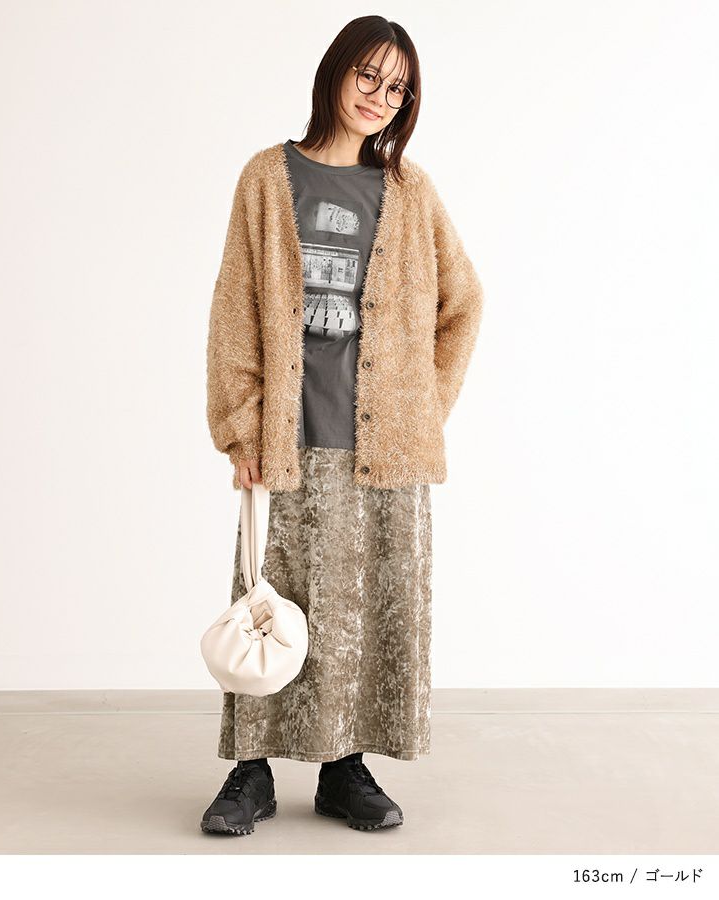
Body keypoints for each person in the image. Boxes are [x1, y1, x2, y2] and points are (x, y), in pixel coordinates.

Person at [201, 15, 484, 835]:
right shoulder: (268, 177)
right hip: (288, 439)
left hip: (384, 451)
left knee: (364, 613)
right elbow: (234, 310)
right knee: (270, 600)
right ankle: (250, 771)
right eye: (369, 76)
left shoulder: (410, 190)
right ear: (335, 71)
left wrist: (422, 408)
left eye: (398, 89)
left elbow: (463, 303)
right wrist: (241, 427)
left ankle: (344, 768)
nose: (380, 98)